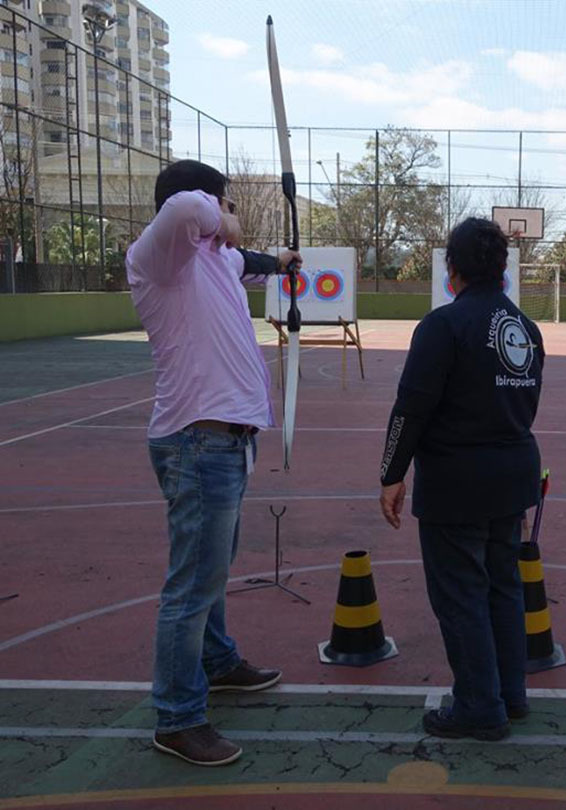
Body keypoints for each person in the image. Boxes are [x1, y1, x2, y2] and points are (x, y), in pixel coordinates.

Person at [126, 159, 301, 766]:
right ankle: (177, 717)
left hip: (224, 441)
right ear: (206, 202)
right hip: (197, 441)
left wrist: (280, 261)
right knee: (194, 582)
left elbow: (247, 260)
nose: (229, 214)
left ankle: (218, 661)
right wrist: (216, 213)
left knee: (212, 566)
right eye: (225, 203)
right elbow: (183, 210)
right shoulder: (158, 256)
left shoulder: (215, 258)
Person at [378, 217, 544, 741]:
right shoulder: (526, 328)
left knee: (462, 595)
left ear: (452, 268)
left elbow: (411, 407)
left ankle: (478, 707)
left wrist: (391, 473)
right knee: (502, 587)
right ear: (502, 269)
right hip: (512, 477)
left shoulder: (444, 324)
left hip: (458, 483)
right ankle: (509, 695)